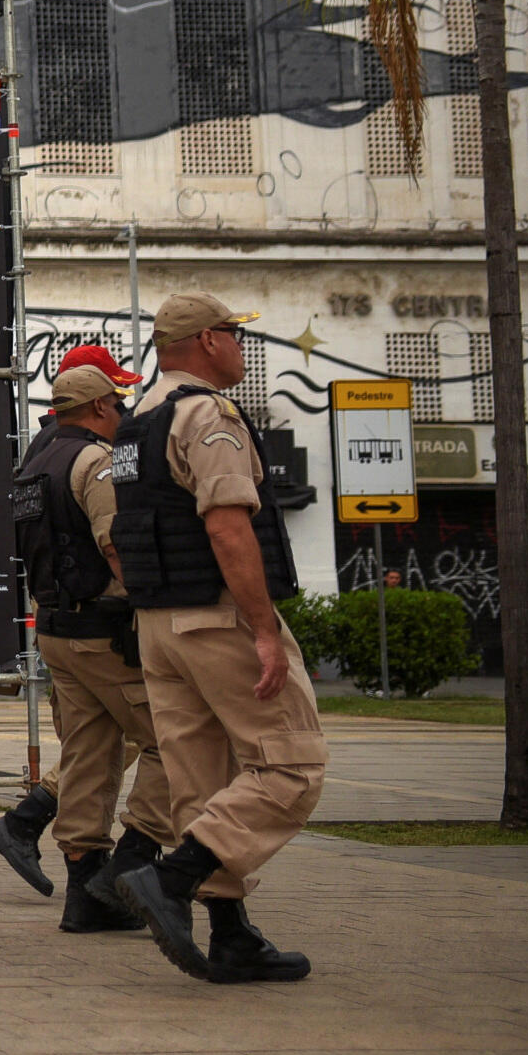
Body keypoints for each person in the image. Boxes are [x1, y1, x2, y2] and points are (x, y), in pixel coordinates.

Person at [110, 292, 325, 984]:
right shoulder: (207, 413)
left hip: (158, 626)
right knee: (291, 764)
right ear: (206, 339)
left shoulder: (134, 422)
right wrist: (264, 629)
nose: (239, 345)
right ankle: (171, 879)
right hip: (215, 614)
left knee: (204, 782)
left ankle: (230, 935)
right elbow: (229, 526)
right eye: (234, 333)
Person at [0, 357, 174, 933]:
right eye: (117, 405)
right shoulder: (96, 460)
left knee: (89, 755)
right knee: (177, 742)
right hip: (105, 630)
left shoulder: (35, 462)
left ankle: (85, 894)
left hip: (56, 630)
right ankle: (130, 861)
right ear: (99, 407)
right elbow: (115, 543)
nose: (121, 414)